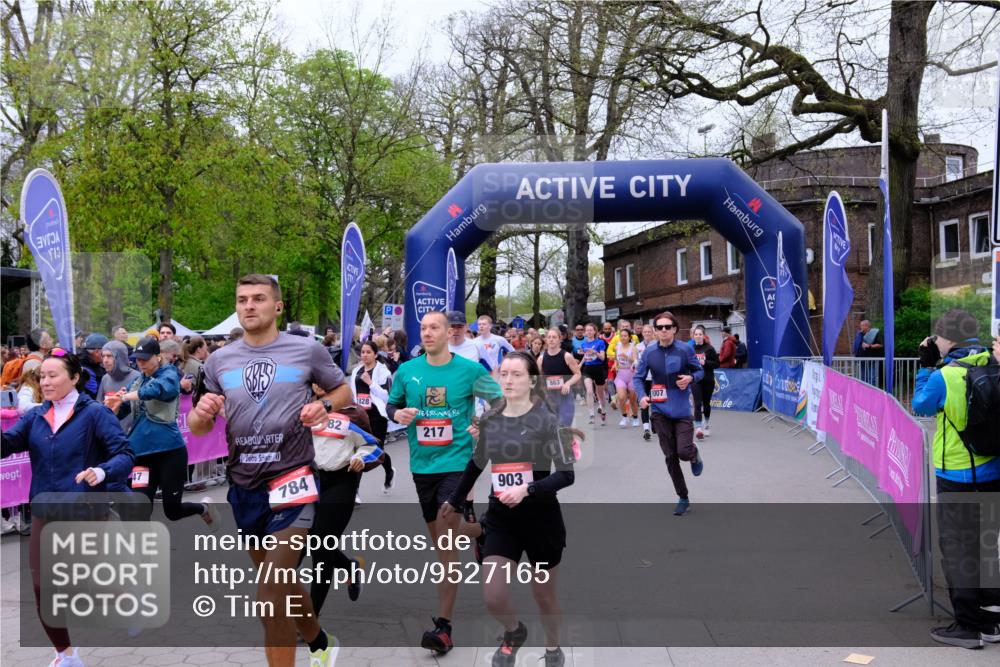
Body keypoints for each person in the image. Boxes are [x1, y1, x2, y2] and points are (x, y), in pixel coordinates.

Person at [188, 274, 350, 667]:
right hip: (245, 486)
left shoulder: (306, 350)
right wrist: (201, 414)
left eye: (258, 298)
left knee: (269, 595)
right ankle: (320, 643)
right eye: (242, 299)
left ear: (277, 307)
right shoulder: (219, 361)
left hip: (293, 479)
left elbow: (343, 391)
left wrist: (324, 406)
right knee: (284, 583)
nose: (248, 305)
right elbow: (198, 427)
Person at [441, 351, 575, 667]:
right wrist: (454, 500)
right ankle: (514, 632)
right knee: (493, 596)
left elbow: (566, 474)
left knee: (543, 596)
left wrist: (528, 489)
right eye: (504, 374)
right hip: (502, 519)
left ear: (531, 381)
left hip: (541, 521)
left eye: (516, 374)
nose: (508, 380)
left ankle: (553, 648)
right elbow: (477, 462)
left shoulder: (550, 420)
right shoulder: (491, 418)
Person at [2, 347, 134, 667]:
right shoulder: (35, 416)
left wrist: (101, 471)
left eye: (53, 375)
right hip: (46, 511)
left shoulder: (95, 414)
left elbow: (125, 455)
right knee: (41, 586)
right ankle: (67, 655)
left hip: (86, 509)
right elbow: (7, 444)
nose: (45, 382)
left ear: (74, 378)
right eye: (42, 376)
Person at [385, 310, 503, 655]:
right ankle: (482, 530)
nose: (427, 332)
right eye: (423, 328)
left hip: (458, 462)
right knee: (443, 542)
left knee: (447, 536)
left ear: (448, 332)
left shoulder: (469, 370)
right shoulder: (407, 371)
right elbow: (391, 406)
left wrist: (482, 421)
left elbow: (499, 401)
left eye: (434, 327)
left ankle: (443, 628)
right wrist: (398, 414)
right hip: (422, 465)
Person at [911, 310, 999, 649]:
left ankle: (967, 627)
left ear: (947, 339)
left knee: (960, 549)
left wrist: (925, 366)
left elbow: (921, 405)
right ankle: (991, 623)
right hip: (993, 470)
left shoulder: (944, 375)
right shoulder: (993, 362)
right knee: (987, 547)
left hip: (957, 474)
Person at [104, 336, 216, 527]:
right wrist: (114, 407)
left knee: (172, 510)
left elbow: (159, 390)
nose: (141, 363)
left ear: (157, 357)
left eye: (145, 359)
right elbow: (123, 410)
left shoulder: (169, 374)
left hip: (170, 453)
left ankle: (203, 508)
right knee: (138, 509)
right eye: (137, 359)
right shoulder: (137, 381)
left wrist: (127, 396)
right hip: (141, 455)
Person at [309, 403, 384, 615]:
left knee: (321, 548)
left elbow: (373, 446)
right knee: (306, 542)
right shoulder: (303, 411)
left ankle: (310, 619)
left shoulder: (351, 414)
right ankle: (350, 567)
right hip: (309, 482)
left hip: (340, 482)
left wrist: (359, 458)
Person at [633, 312, 705, 516]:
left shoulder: (685, 349)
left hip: (681, 409)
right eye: (659, 327)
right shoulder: (649, 352)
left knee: (683, 452)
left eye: (667, 327)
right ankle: (683, 497)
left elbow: (699, 371)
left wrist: (690, 378)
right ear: (655, 331)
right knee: (670, 456)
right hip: (659, 409)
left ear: (674, 329)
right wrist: (642, 396)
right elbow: (638, 378)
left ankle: (693, 453)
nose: (663, 330)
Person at [350, 341, 396, 493]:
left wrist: (370, 383)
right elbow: (353, 394)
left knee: (377, 450)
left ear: (375, 354)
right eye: (363, 352)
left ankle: (389, 471)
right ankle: (355, 491)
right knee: (359, 450)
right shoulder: (356, 371)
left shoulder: (383, 371)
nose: (365, 355)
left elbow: (387, 395)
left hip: (377, 416)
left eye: (368, 352)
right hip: (360, 416)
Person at [538, 328, 582, 427]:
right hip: (549, 397)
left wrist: (568, 383)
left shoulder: (567, 356)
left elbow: (578, 374)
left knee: (564, 426)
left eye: (554, 337)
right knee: (548, 427)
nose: (551, 339)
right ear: (546, 340)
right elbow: (538, 378)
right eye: (549, 337)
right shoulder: (541, 359)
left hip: (565, 396)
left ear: (559, 339)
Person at [97, 341, 141, 432]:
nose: (105, 360)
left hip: (134, 432)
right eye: (103, 356)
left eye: (109, 356)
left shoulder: (137, 377)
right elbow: (99, 405)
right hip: (111, 432)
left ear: (120, 357)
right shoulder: (105, 378)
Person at [690, 326, 720, 439]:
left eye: (700, 334)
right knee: (697, 403)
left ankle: (706, 424)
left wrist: (705, 362)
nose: (698, 336)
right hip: (695, 379)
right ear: (693, 336)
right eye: (696, 334)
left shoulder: (709, 348)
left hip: (708, 379)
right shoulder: (690, 349)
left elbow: (717, 364)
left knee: (706, 403)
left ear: (703, 336)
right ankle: (698, 428)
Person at [579, 323, 608, 426]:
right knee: (589, 391)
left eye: (591, 330)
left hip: (598, 369)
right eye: (587, 330)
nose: (589, 332)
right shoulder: (583, 344)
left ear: (595, 331)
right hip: (587, 369)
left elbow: (603, 358)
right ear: (585, 332)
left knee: (600, 394)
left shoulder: (600, 342)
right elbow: (585, 355)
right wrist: (580, 364)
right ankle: (591, 415)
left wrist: (595, 352)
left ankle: (603, 410)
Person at [612, 328, 640, 428]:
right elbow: (616, 359)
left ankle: (635, 417)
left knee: (632, 399)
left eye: (625, 336)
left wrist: (627, 357)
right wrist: (615, 365)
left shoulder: (633, 348)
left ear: (629, 337)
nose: (623, 338)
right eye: (621, 336)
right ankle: (624, 417)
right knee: (621, 397)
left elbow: (636, 362)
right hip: (621, 375)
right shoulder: (617, 347)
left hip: (632, 375)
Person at [636, 324, 655, 440]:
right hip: (643, 378)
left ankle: (654, 420)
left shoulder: (657, 345)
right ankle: (646, 429)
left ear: (653, 333)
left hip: (655, 378)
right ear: (642, 333)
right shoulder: (638, 346)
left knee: (656, 403)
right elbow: (635, 360)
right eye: (645, 332)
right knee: (644, 403)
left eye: (649, 332)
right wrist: (634, 365)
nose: (647, 334)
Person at [853, 319, 884, 387]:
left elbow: (880, 345)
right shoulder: (860, 334)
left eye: (862, 325)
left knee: (872, 378)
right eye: (861, 325)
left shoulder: (875, 333)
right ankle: (864, 391)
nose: (861, 327)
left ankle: (872, 391)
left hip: (872, 360)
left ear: (867, 326)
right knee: (863, 379)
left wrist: (869, 346)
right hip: (862, 360)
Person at [78, 334, 108, 398]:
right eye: (106, 351)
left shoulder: (94, 363)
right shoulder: (85, 370)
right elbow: (95, 395)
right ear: (97, 352)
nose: (107, 356)